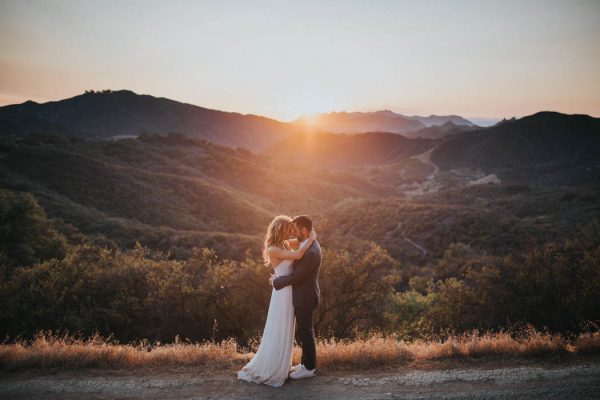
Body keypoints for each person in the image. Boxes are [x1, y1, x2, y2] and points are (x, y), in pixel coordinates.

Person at [237, 215, 318, 387]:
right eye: (289, 229)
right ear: (280, 230)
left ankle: (287, 365)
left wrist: (309, 237)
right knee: (279, 328)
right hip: (282, 294)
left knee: (288, 329)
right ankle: (274, 367)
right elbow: (299, 254)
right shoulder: (273, 249)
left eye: (293, 229)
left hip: (290, 292)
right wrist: (311, 238)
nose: (292, 233)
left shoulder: (284, 243)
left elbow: (300, 244)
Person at [272, 215, 322, 380]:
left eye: (295, 230)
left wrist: (276, 281)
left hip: (305, 297)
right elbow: (293, 246)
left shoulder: (311, 253)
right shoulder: (307, 243)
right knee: (303, 331)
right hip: (303, 295)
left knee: (306, 333)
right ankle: (304, 363)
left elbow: (296, 277)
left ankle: (309, 368)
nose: (293, 233)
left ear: (304, 230)